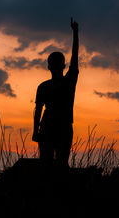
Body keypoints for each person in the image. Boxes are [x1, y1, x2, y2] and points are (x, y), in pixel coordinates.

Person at [32, 18, 79, 167]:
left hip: (61, 126)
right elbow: (38, 109)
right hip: (50, 127)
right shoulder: (45, 86)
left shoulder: (68, 81)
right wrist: (35, 131)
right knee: (52, 164)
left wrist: (76, 33)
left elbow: (75, 56)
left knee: (57, 163)